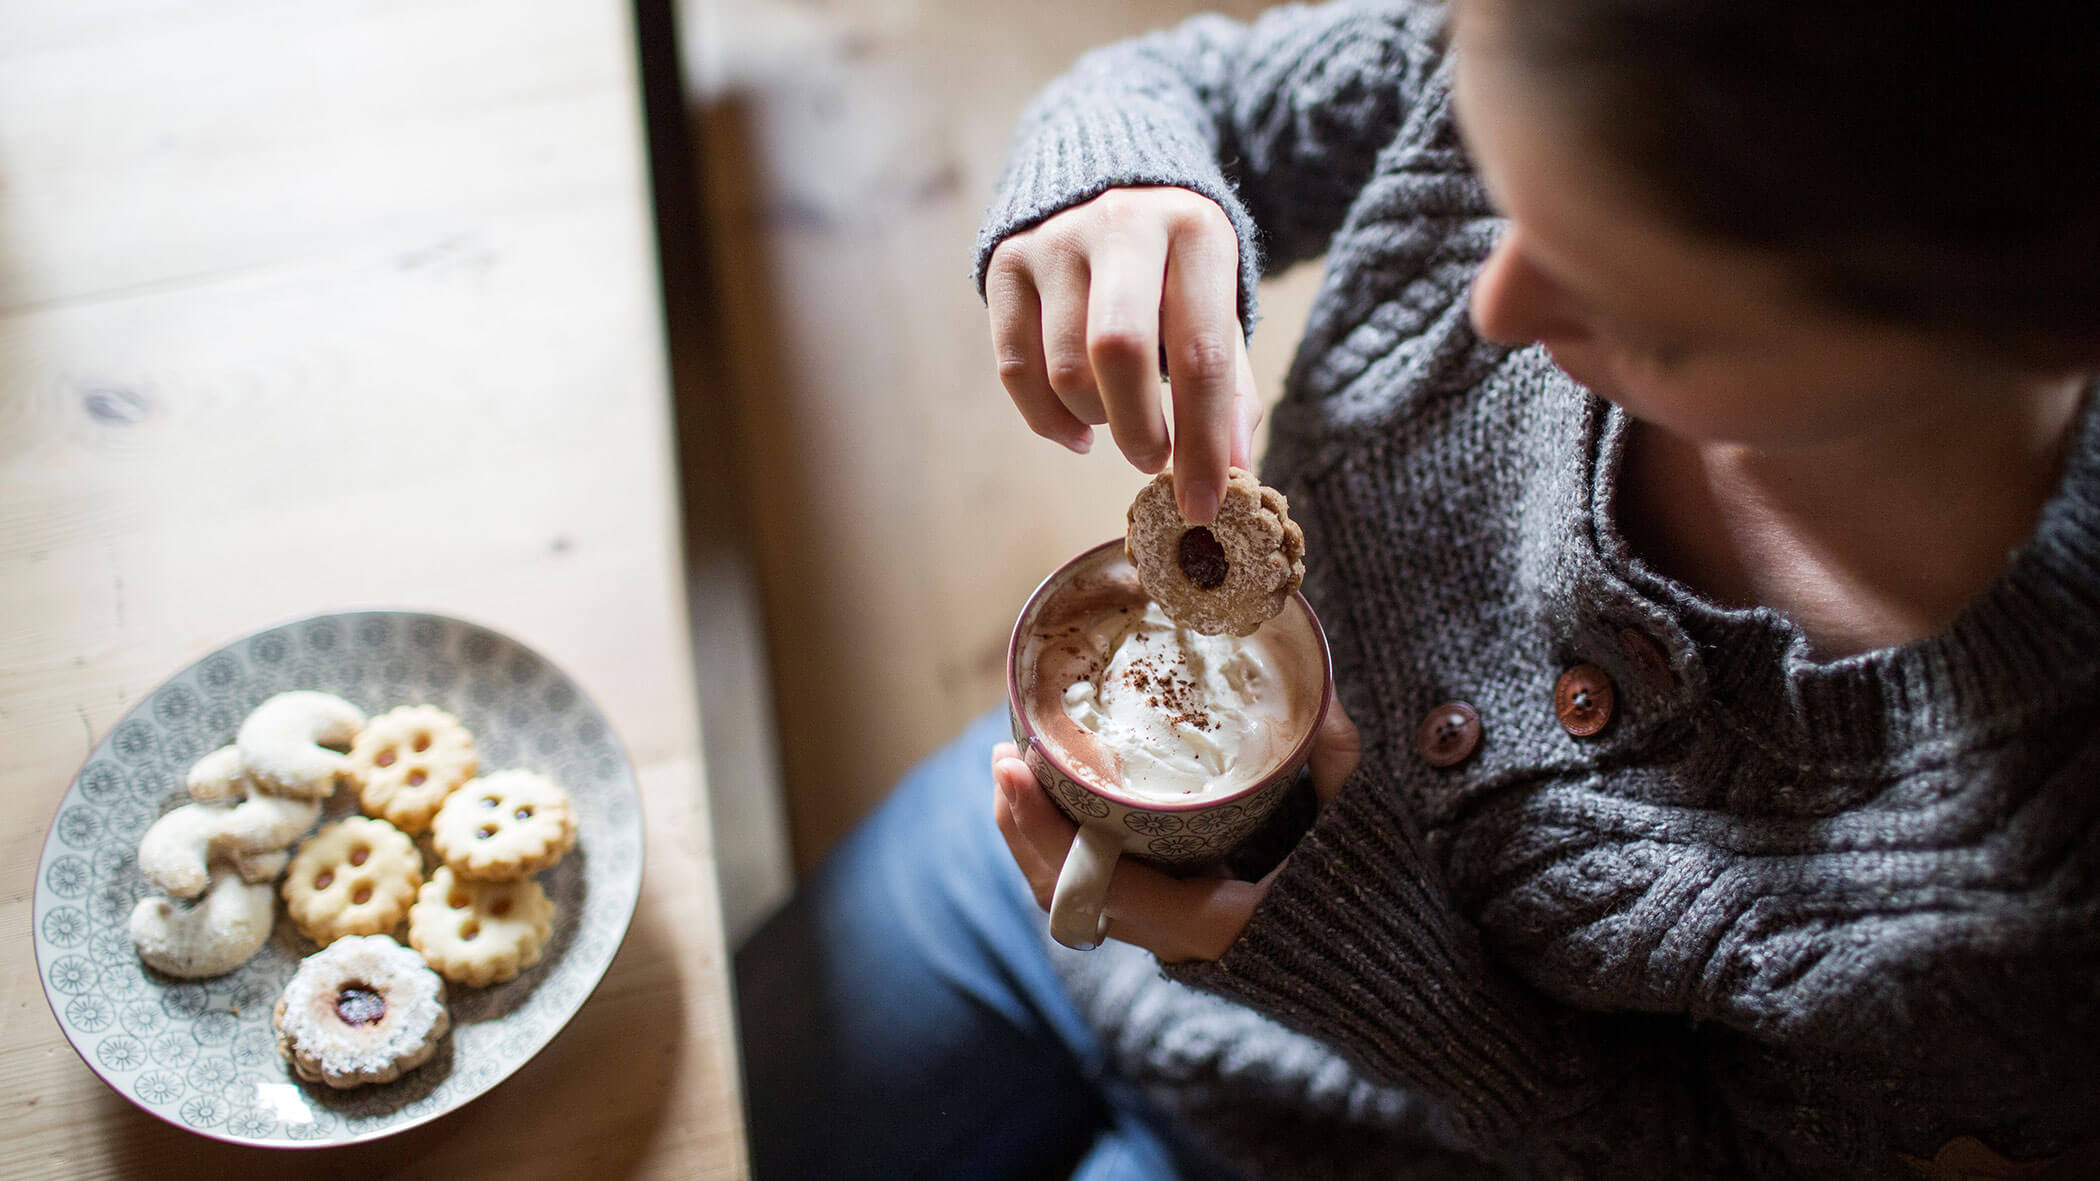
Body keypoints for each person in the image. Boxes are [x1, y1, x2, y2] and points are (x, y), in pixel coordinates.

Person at [736, 0, 2100, 1176]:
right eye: (1503, 192)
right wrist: (1116, 177)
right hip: (1071, 848)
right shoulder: (1585, 42)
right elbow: (1191, 90)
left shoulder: (2030, 905)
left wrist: (1359, 959)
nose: (1492, 307)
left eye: (1648, 317)